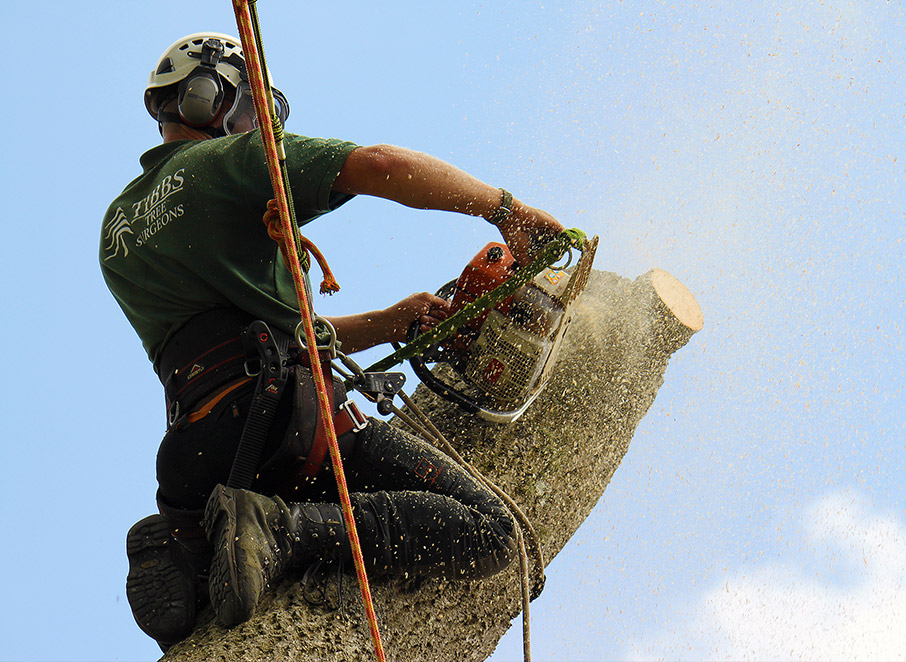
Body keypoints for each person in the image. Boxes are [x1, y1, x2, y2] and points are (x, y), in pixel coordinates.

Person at [103, 32, 565, 650]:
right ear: (206, 99)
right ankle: (283, 532)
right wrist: (505, 208)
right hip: (280, 424)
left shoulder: (118, 234)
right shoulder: (229, 164)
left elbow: (236, 337)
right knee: (492, 532)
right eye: (248, 110)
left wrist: (391, 322)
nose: (254, 127)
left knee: (228, 574)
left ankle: (195, 547)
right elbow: (377, 165)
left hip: (198, 448)